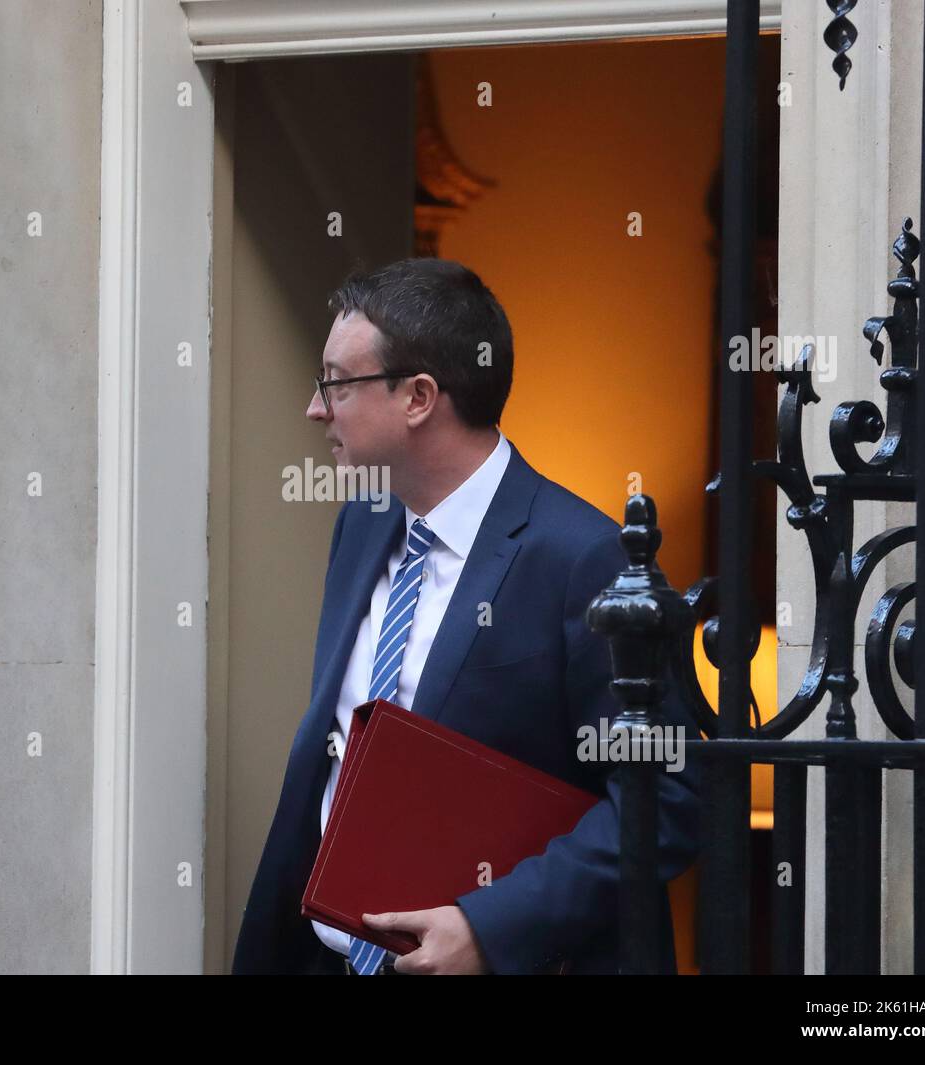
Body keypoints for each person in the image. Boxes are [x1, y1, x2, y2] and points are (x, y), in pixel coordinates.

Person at [231, 258, 702, 975]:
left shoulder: (585, 558)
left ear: (419, 396)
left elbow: (665, 798)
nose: (316, 407)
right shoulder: (360, 522)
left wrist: (488, 927)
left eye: (335, 382)